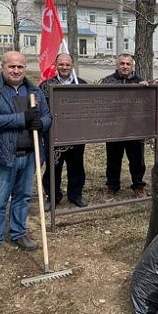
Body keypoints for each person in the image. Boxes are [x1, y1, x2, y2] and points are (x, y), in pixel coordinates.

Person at [0, 51, 51, 259]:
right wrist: (23, 119)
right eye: (12, 66)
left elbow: (47, 116)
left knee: (23, 196)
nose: (16, 70)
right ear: (3, 67)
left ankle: (18, 232)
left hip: (29, 155)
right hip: (2, 155)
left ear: (25, 68)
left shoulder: (34, 90)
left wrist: (41, 123)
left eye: (20, 66)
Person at [41, 52, 88, 208]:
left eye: (67, 64)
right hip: (53, 134)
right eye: (61, 64)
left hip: (76, 134)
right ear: (56, 65)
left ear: (72, 66)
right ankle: (53, 197)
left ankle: (75, 195)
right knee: (53, 167)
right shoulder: (45, 85)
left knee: (76, 167)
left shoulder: (81, 85)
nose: (64, 67)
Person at [100, 53, 148, 198]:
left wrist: (144, 88)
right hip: (114, 128)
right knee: (113, 159)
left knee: (137, 160)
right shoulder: (108, 81)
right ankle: (112, 185)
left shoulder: (141, 82)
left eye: (128, 64)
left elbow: (147, 104)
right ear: (117, 65)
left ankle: (138, 185)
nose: (125, 66)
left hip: (135, 129)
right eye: (122, 63)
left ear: (132, 65)